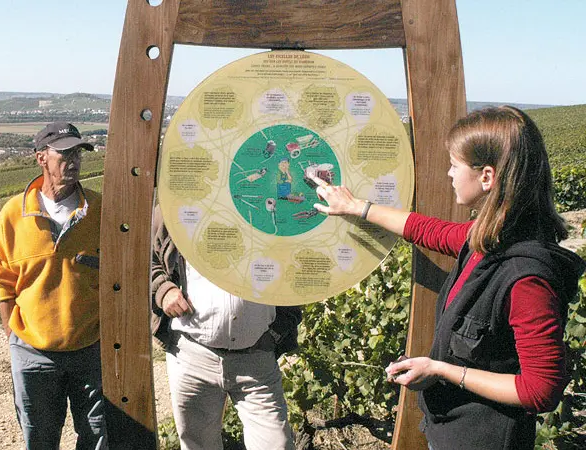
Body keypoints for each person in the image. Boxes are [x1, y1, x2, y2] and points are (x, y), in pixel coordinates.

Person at [311, 106, 585, 450]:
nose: (449, 173)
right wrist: (357, 207)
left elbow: (540, 390)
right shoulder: (490, 240)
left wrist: (441, 370)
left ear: (487, 177)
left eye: (455, 165)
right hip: (452, 432)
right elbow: (429, 231)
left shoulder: (526, 280)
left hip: (484, 441)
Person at [0, 122, 105, 449]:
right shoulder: (14, 214)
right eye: (64, 154)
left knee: (97, 437)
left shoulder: (99, 210)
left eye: (78, 153)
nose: (74, 161)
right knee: (39, 439)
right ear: (41, 158)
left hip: (90, 349)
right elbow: (3, 282)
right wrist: (15, 338)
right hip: (33, 354)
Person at [151, 205, 302, 450]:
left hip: (256, 359)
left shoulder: (272, 203)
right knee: (199, 446)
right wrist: (163, 289)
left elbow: (301, 269)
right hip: (192, 356)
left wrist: (276, 333)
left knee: (277, 444)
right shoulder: (177, 203)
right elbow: (144, 255)